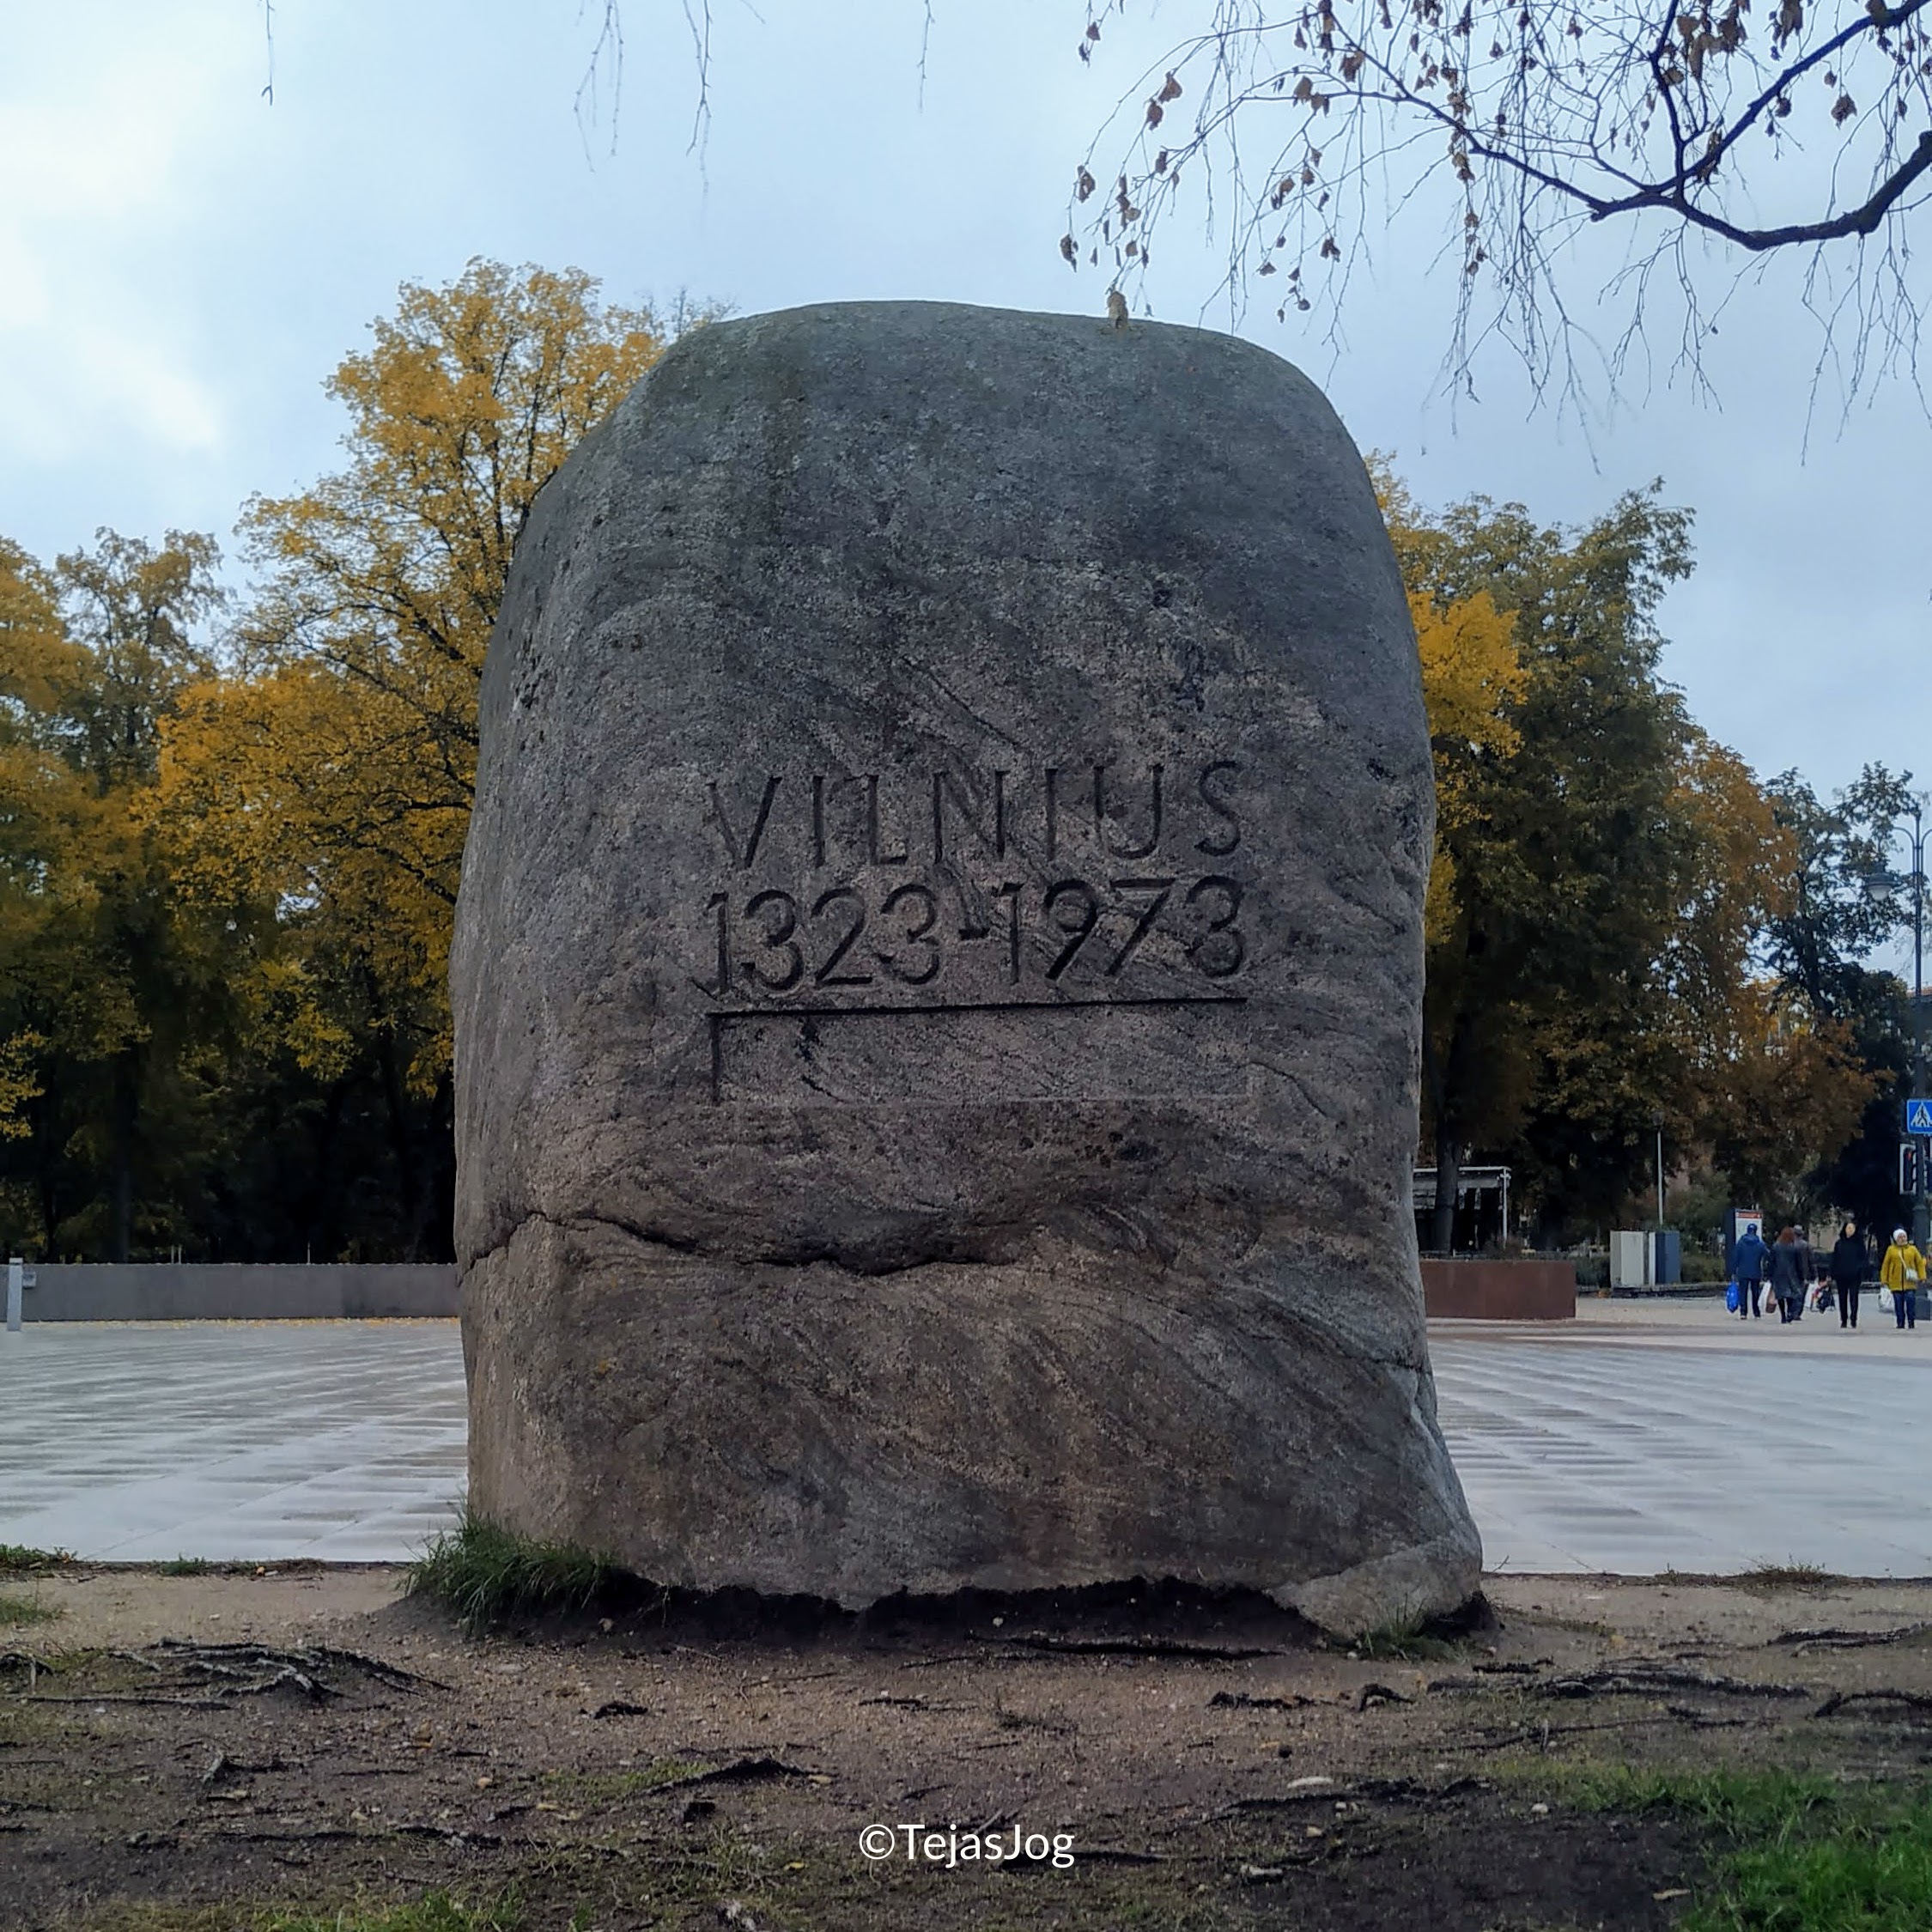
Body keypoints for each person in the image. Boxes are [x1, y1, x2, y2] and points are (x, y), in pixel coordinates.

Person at [1881, 1228, 1925, 1331]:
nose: (1902, 1239)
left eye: (1904, 1236)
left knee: (1910, 1301)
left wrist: (1922, 1276)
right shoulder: (1891, 1250)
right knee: (1898, 1304)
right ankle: (1900, 1322)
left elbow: (1919, 1263)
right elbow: (1886, 1265)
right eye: (1900, 1237)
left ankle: (1911, 1321)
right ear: (1896, 1239)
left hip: (1909, 1282)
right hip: (1895, 1282)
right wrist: (1884, 1280)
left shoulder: (1912, 1249)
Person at [1831, 1219, 1870, 1329]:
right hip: (1841, 1275)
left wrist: (1862, 1271)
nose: (1850, 1230)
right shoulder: (1839, 1244)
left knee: (1854, 1298)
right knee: (1842, 1299)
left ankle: (1853, 1319)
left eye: (1852, 1228)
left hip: (1855, 1276)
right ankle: (1843, 1319)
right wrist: (1832, 1273)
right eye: (1848, 1228)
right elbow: (1834, 1259)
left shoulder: (1859, 1244)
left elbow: (1864, 1259)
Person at [1730, 1220, 1770, 1321]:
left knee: (1743, 1292)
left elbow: (1735, 1258)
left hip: (1743, 1272)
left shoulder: (1741, 1243)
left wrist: (1734, 1271)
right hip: (1756, 1272)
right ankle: (1756, 1312)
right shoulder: (1760, 1244)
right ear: (1755, 1231)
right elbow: (1768, 1255)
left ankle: (1743, 1312)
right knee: (1755, 1292)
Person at [1767, 1226, 1806, 1324]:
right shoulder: (1794, 1247)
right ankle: (1789, 1312)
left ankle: (1783, 1315)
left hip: (1779, 1274)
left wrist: (1770, 1275)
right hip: (1791, 1274)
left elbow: (1771, 1262)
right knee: (1791, 1295)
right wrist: (1801, 1275)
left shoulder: (1776, 1246)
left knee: (1780, 1295)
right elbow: (1799, 1263)